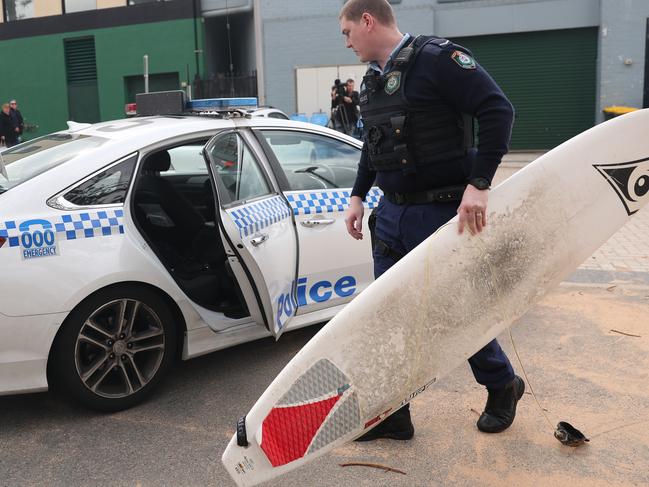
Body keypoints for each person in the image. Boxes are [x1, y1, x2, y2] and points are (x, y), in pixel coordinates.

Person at [341, 0, 524, 441]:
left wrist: (480, 183)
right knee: (390, 316)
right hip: (391, 215)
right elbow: (373, 145)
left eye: (347, 31)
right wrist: (357, 195)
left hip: (441, 213)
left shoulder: (439, 60)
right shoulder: (371, 83)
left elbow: (498, 110)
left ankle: (502, 385)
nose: (346, 42)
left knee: (456, 312)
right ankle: (394, 414)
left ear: (368, 20)